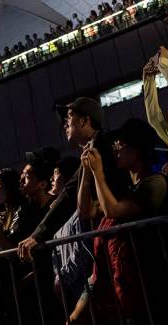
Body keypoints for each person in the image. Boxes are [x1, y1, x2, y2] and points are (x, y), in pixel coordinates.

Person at [73, 118, 168, 325]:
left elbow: (113, 210)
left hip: (149, 285)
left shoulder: (155, 183)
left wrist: (99, 173)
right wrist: (87, 173)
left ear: (137, 151)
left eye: (122, 143)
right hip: (123, 285)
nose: (115, 148)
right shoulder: (128, 188)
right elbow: (85, 211)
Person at [16, 98, 127, 261]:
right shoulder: (91, 150)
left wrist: (37, 235)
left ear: (84, 120)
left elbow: (69, 195)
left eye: (69, 117)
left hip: (120, 234)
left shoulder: (102, 145)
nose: (65, 124)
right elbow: (69, 192)